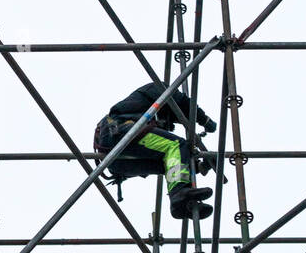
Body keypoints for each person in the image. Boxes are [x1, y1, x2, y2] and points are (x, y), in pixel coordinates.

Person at [93, 79, 218, 220]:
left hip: (117, 162)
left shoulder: (157, 114)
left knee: (168, 160)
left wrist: (200, 166)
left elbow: (173, 163)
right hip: (121, 133)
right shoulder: (159, 89)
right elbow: (183, 102)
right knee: (176, 144)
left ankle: (183, 204)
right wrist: (205, 120)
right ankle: (178, 193)